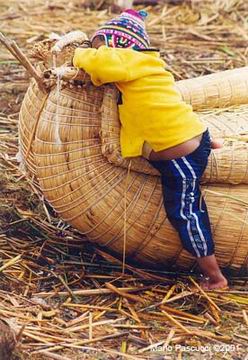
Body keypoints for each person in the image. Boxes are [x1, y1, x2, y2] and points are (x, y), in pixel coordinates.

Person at [72, 9, 228, 290]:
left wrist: (82, 51)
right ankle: (208, 143)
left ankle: (215, 277)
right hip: (190, 134)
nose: (99, 52)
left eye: (103, 46)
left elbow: (103, 64)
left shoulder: (128, 62)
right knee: (172, 114)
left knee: (185, 212)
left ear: (116, 47)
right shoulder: (147, 66)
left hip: (180, 154)